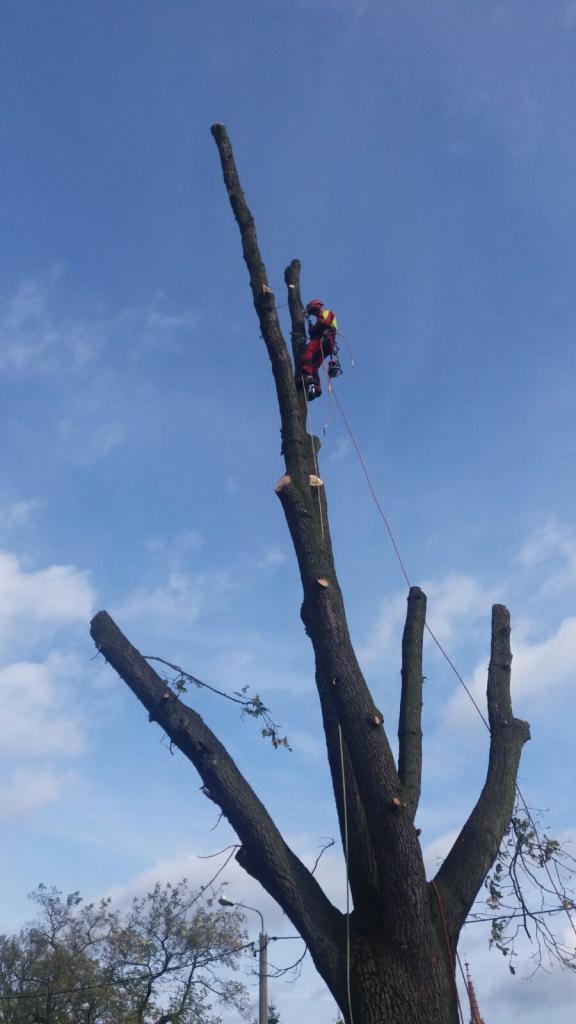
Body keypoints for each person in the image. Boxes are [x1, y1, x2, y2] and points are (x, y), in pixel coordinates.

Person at [297, 299, 341, 400]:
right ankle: (317, 389)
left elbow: (323, 322)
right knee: (314, 364)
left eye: (313, 311)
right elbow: (314, 332)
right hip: (326, 344)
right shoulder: (319, 318)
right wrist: (310, 325)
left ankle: (307, 375)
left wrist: (313, 328)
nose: (314, 313)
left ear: (317, 306)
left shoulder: (327, 312)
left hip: (326, 339)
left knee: (309, 349)